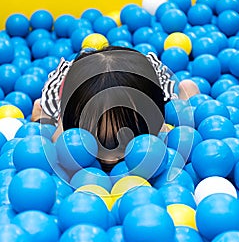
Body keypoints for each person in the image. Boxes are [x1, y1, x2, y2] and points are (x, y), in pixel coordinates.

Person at [31, 46, 199, 170]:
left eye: (125, 138)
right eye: (99, 142)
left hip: (144, 79)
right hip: (68, 85)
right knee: (48, 115)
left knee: (185, 90)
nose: (112, 159)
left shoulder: (147, 108)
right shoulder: (72, 115)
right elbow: (59, 144)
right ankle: (38, 111)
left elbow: (162, 131)